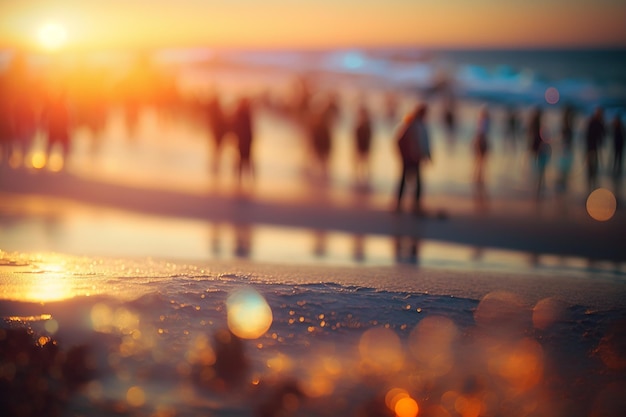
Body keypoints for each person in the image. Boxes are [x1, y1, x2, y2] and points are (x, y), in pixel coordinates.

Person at [395, 103, 431, 216]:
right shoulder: (415, 125)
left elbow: (398, 139)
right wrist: (426, 155)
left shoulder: (410, 123)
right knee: (415, 181)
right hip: (412, 157)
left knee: (408, 180)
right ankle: (412, 204)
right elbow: (421, 142)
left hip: (410, 157)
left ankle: (402, 204)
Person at [231, 97, 254, 187]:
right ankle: (242, 181)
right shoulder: (244, 114)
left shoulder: (243, 113)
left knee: (244, 160)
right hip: (244, 141)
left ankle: (243, 181)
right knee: (243, 160)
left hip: (244, 141)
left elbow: (237, 128)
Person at [584, 106, 605, 191]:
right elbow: (588, 135)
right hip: (591, 147)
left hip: (594, 147)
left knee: (594, 163)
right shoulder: (593, 122)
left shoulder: (598, 122)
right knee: (591, 164)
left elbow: (603, 133)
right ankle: (590, 179)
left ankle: (593, 179)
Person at [354, 104, 372, 186]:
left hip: (365, 147)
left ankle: (365, 177)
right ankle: (358, 176)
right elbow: (355, 139)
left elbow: (370, 138)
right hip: (360, 147)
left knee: (365, 162)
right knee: (360, 162)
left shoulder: (367, 127)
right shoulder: (359, 126)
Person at [473, 106, 490, 185]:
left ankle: (477, 176)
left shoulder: (480, 121)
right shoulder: (485, 121)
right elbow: (482, 133)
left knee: (479, 160)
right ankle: (479, 176)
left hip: (479, 141)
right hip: (481, 141)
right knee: (481, 160)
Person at [611, 113, 624, 177]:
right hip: (617, 144)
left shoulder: (620, 127)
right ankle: (616, 169)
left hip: (619, 145)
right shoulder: (617, 127)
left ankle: (618, 169)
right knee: (617, 157)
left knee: (618, 157)